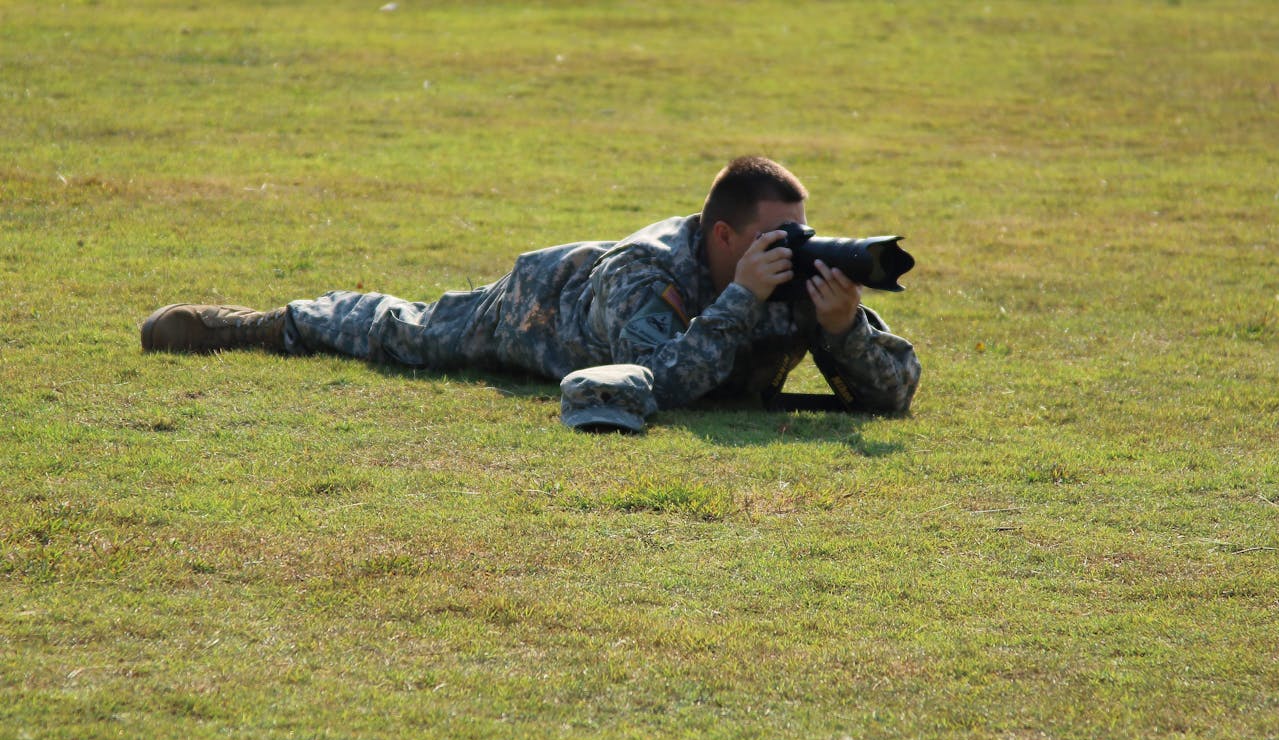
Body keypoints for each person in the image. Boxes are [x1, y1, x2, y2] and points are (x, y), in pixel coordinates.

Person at [141, 156, 920, 413]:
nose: (791, 251)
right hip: (545, 308)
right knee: (407, 334)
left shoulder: (786, 281)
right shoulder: (644, 273)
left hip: (644, 306)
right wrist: (741, 299)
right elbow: (665, 383)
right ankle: (253, 325)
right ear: (723, 237)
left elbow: (896, 392)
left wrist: (843, 329)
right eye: (773, 238)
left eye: (800, 233)